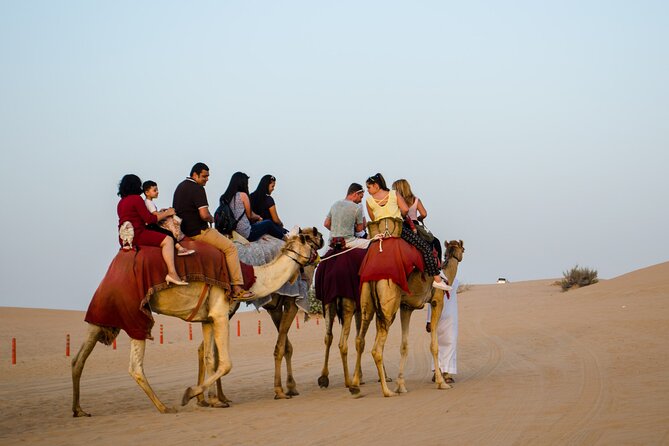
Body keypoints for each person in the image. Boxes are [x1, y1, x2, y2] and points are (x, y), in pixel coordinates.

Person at [172, 163, 253, 300]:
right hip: (198, 231)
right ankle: (237, 288)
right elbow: (204, 215)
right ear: (195, 174)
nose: (206, 179)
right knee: (231, 248)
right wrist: (212, 219)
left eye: (208, 176)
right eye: (204, 176)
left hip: (184, 231)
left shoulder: (180, 187)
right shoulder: (197, 189)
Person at [365, 173, 451, 292]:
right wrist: (400, 216)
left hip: (380, 232)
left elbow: (373, 218)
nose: (368, 190)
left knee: (365, 252)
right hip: (397, 229)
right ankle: (437, 279)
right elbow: (405, 209)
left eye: (368, 187)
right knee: (425, 247)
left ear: (376, 185)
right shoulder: (394, 194)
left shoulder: (369, 201)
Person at [117, 174, 187, 286]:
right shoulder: (137, 199)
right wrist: (167, 213)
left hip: (124, 239)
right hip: (138, 234)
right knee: (168, 240)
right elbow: (149, 219)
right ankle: (172, 273)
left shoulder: (121, 203)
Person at [222, 172, 286, 242]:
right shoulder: (243, 196)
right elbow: (250, 215)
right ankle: (285, 239)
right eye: (272, 186)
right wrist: (258, 217)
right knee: (268, 223)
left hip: (232, 230)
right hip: (245, 232)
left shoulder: (224, 197)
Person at [392, 178, 442, 263]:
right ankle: (437, 266)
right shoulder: (415, 200)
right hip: (414, 226)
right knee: (435, 242)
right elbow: (424, 213)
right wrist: (420, 218)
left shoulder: (395, 201)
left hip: (400, 226)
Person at [143, 180, 195, 257]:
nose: (157, 192)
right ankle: (180, 249)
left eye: (157, 190)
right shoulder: (148, 202)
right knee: (169, 233)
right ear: (147, 192)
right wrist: (167, 213)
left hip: (151, 225)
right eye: (154, 190)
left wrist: (162, 211)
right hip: (152, 226)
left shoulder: (148, 202)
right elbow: (155, 214)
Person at [426, 277, 459, 383]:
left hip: (451, 315)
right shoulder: (434, 279)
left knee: (450, 342)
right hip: (436, 315)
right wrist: (428, 320)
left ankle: (447, 372)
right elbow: (432, 301)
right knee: (436, 343)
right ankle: (437, 370)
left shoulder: (455, 279)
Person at [323, 182, 369, 249]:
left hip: (332, 242)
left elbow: (326, 224)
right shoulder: (357, 208)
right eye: (360, 197)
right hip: (348, 242)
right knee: (371, 245)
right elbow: (359, 231)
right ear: (355, 194)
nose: (360, 201)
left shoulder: (335, 204)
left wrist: (337, 232)